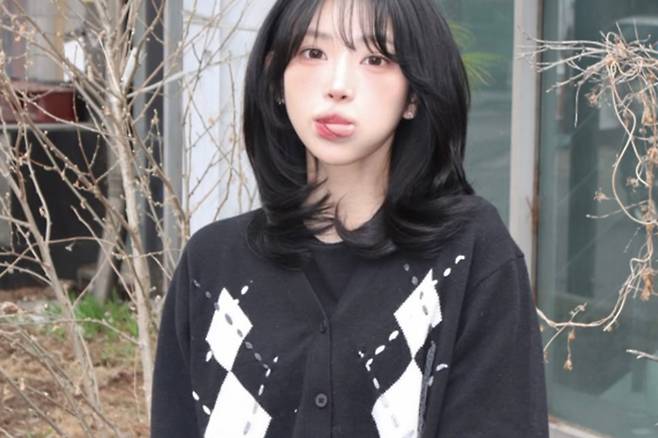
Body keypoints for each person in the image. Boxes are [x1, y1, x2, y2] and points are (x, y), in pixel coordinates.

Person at [150, 0, 549, 436]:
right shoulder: (212, 266)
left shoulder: (467, 255)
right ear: (275, 78)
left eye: (375, 59)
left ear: (413, 94)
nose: (338, 86)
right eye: (313, 53)